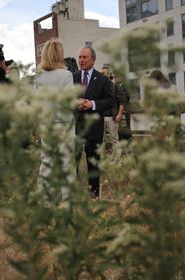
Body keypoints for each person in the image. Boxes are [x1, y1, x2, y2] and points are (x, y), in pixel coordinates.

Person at [36, 38, 76, 200]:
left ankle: (44, 198)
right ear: (60, 54)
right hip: (64, 124)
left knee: (47, 161)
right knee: (67, 161)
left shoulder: (38, 76)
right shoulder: (66, 75)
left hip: (46, 124)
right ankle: (67, 199)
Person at [74, 47, 114, 199]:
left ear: (93, 59)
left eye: (84, 57)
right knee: (72, 163)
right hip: (76, 127)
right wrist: (75, 102)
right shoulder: (73, 77)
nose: (81, 60)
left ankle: (94, 195)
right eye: (80, 57)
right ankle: (72, 194)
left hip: (94, 128)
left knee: (93, 163)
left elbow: (110, 101)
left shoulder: (102, 79)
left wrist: (93, 104)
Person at [100, 67, 126, 153]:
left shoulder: (115, 86)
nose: (101, 75)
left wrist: (119, 114)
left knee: (114, 139)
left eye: (103, 73)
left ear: (109, 75)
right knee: (101, 139)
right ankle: (102, 159)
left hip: (112, 116)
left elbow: (122, 101)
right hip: (101, 117)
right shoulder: (100, 87)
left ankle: (117, 160)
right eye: (101, 73)